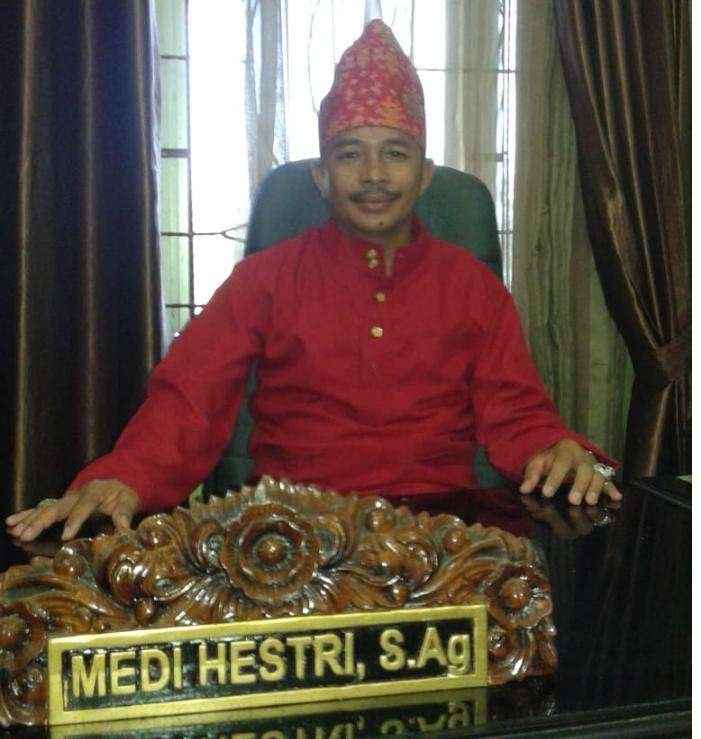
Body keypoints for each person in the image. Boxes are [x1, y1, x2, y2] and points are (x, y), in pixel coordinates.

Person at [6, 20, 620, 544]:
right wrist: (123, 477)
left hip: (440, 537)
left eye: (395, 153)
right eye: (350, 154)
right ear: (321, 177)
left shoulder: (472, 287)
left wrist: (557, 449)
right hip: (289, 536)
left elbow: (519, 415)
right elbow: (187, 403)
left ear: (425, 176)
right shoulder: (263, 278)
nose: (373, 174)